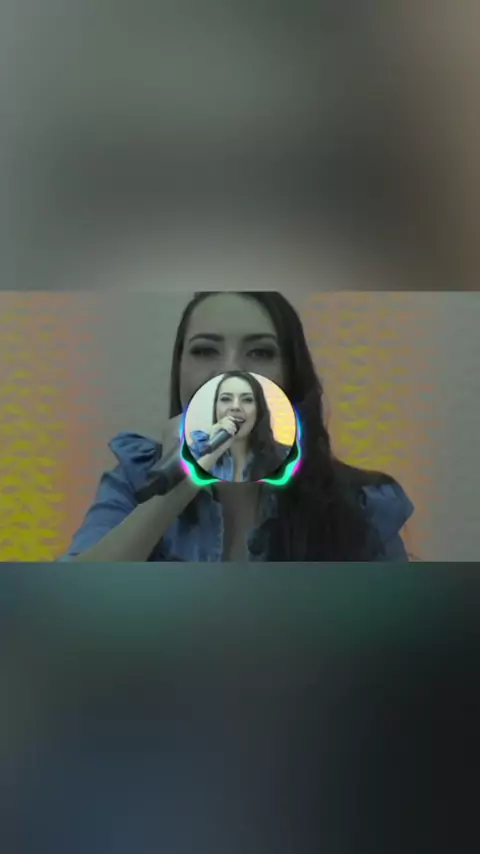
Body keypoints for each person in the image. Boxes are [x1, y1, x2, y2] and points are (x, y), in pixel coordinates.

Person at [59, 291, 414, 562]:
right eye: (205, 351)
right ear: (179, 370)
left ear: (289, 376)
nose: (229, 372)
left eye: (259, 353)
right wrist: (178, 487)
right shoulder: (134, 479)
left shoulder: (360, 505)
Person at [186, 370, 292, 483]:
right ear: (216, 408)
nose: (235, 406)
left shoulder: (285, 456)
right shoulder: (196, 450)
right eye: (226, 399)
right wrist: (214, 452)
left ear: (259, 410)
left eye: (247, 400)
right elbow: (182, 490)